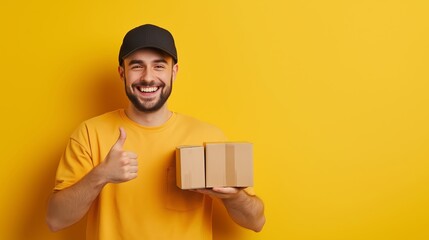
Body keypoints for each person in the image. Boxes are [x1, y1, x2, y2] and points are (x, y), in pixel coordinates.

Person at [46, 24, 265, 239]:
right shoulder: (89, 134)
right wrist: (101, 175)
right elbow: (56, 220)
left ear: (174, 71)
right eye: (137, 66)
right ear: (122, 73)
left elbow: (256, 222)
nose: (148, 77)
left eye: (159, 66)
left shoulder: (208, 138)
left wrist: (234, 197)